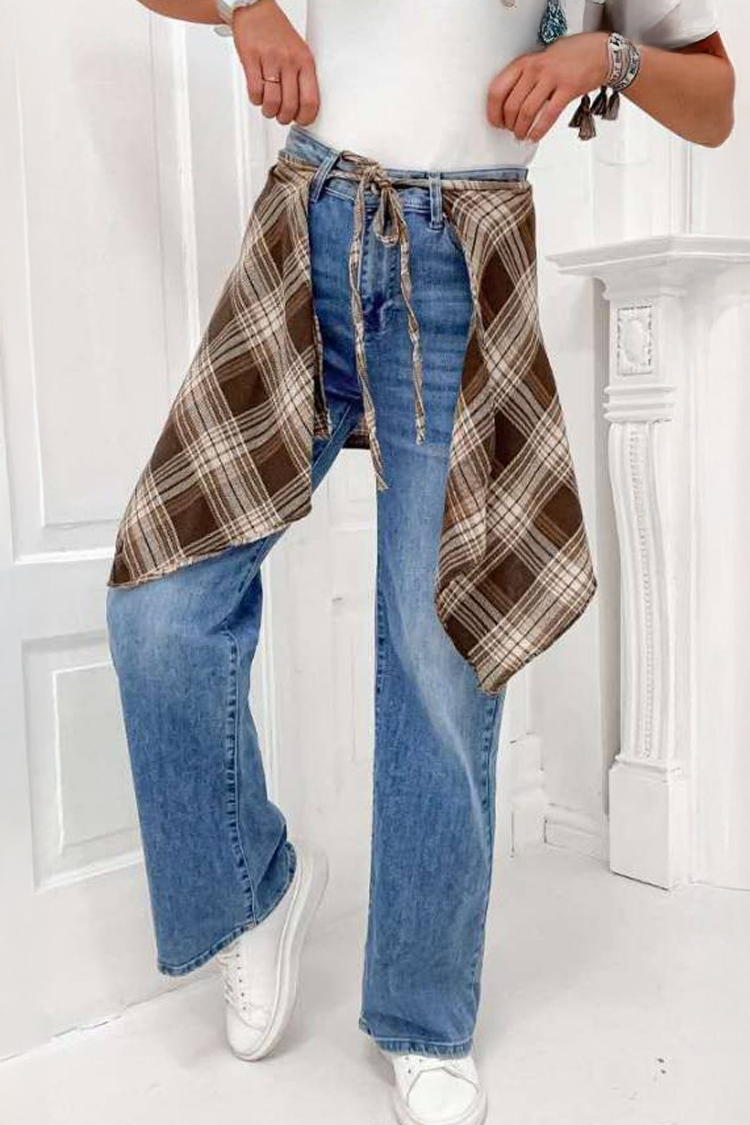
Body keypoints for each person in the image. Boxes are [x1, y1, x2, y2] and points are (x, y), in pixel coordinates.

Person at [106, 3, 734, 1124]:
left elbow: (716, 103)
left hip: (464, 254)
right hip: (307, 219)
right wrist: (247, 8)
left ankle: (424, 1014)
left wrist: (604, 55)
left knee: (436, 657)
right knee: (162, 599)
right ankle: (256, 894)